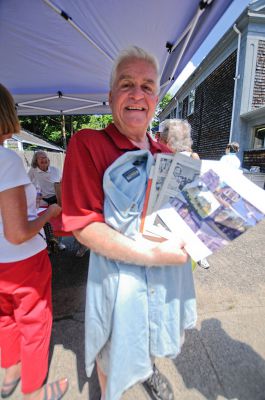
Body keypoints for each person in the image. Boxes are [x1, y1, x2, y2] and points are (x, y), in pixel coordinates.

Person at [62, 46, 197, 400]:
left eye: (147, 86)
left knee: (150, 334)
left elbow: (181, 219)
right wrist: (152, 256)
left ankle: (147, 369)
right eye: (127, 84)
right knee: (112, 354)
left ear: (156, 98)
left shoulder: (167, 156)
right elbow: (83, 225)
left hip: (162, 284)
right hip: (117, 285)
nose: (138, 94)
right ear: (110, 98)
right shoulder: (88, 143)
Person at [0, 83, 68, 399]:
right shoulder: (7, 159)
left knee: (5, 319)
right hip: (22, 262)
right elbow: (17, 233)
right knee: (35, 323)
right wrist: (49, 212)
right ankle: (33, 391)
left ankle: (9, 376)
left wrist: (31, 206)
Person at [159, 118, 210, 270]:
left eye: (162, 138)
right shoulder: (167, 157)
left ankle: (198, 257)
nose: (160, 141)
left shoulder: (190, 156)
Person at [28, 151, 66, 251]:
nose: (44, 159)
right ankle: (47, 244)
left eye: (45, 157)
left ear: (48, 160)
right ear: (36, 161)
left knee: (57, 222)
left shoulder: (54, 170)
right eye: (41, 158)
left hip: (55, 197)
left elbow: (57, 187)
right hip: (43, 199)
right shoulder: (33, 170)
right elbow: (27, 183)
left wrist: (60, 204)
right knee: (45, 222)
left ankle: (58, 243)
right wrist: (33, 195)